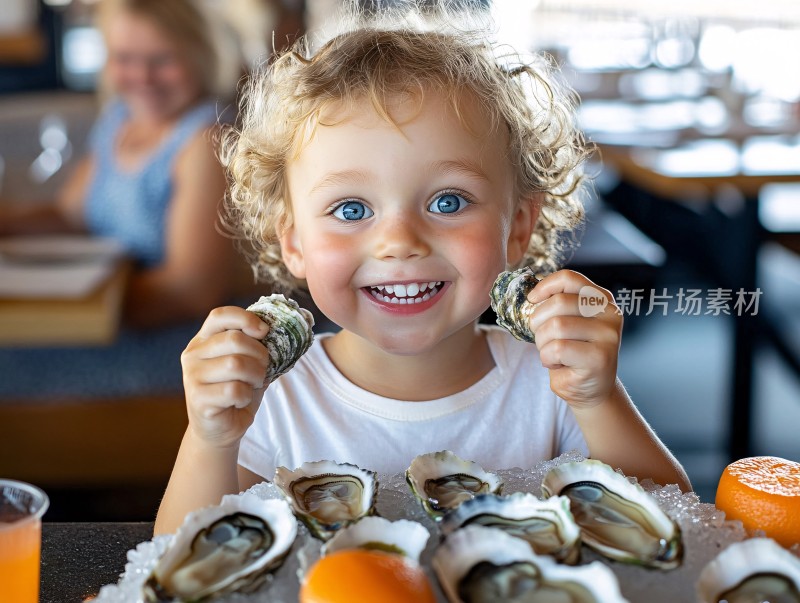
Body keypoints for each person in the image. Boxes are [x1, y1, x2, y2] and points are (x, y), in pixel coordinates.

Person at [155, 1, 691, 534]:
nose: (399, 242)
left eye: (448, 202)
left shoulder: (552, 382)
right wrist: (210, 438)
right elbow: (175, 558)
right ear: (294, 243)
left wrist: (599, 397)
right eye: (351, 209)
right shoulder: (273, 396)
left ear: (519, 227)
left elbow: (678, 525)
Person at [0, 0, 248, 400]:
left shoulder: (205, 142)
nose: (142, 76)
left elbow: (192, 290)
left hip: (176, 349)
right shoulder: (120, 119)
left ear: (200, 55)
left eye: (161, 59)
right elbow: (70, 215)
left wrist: (71, 308)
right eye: (125, 58)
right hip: (110, 323)